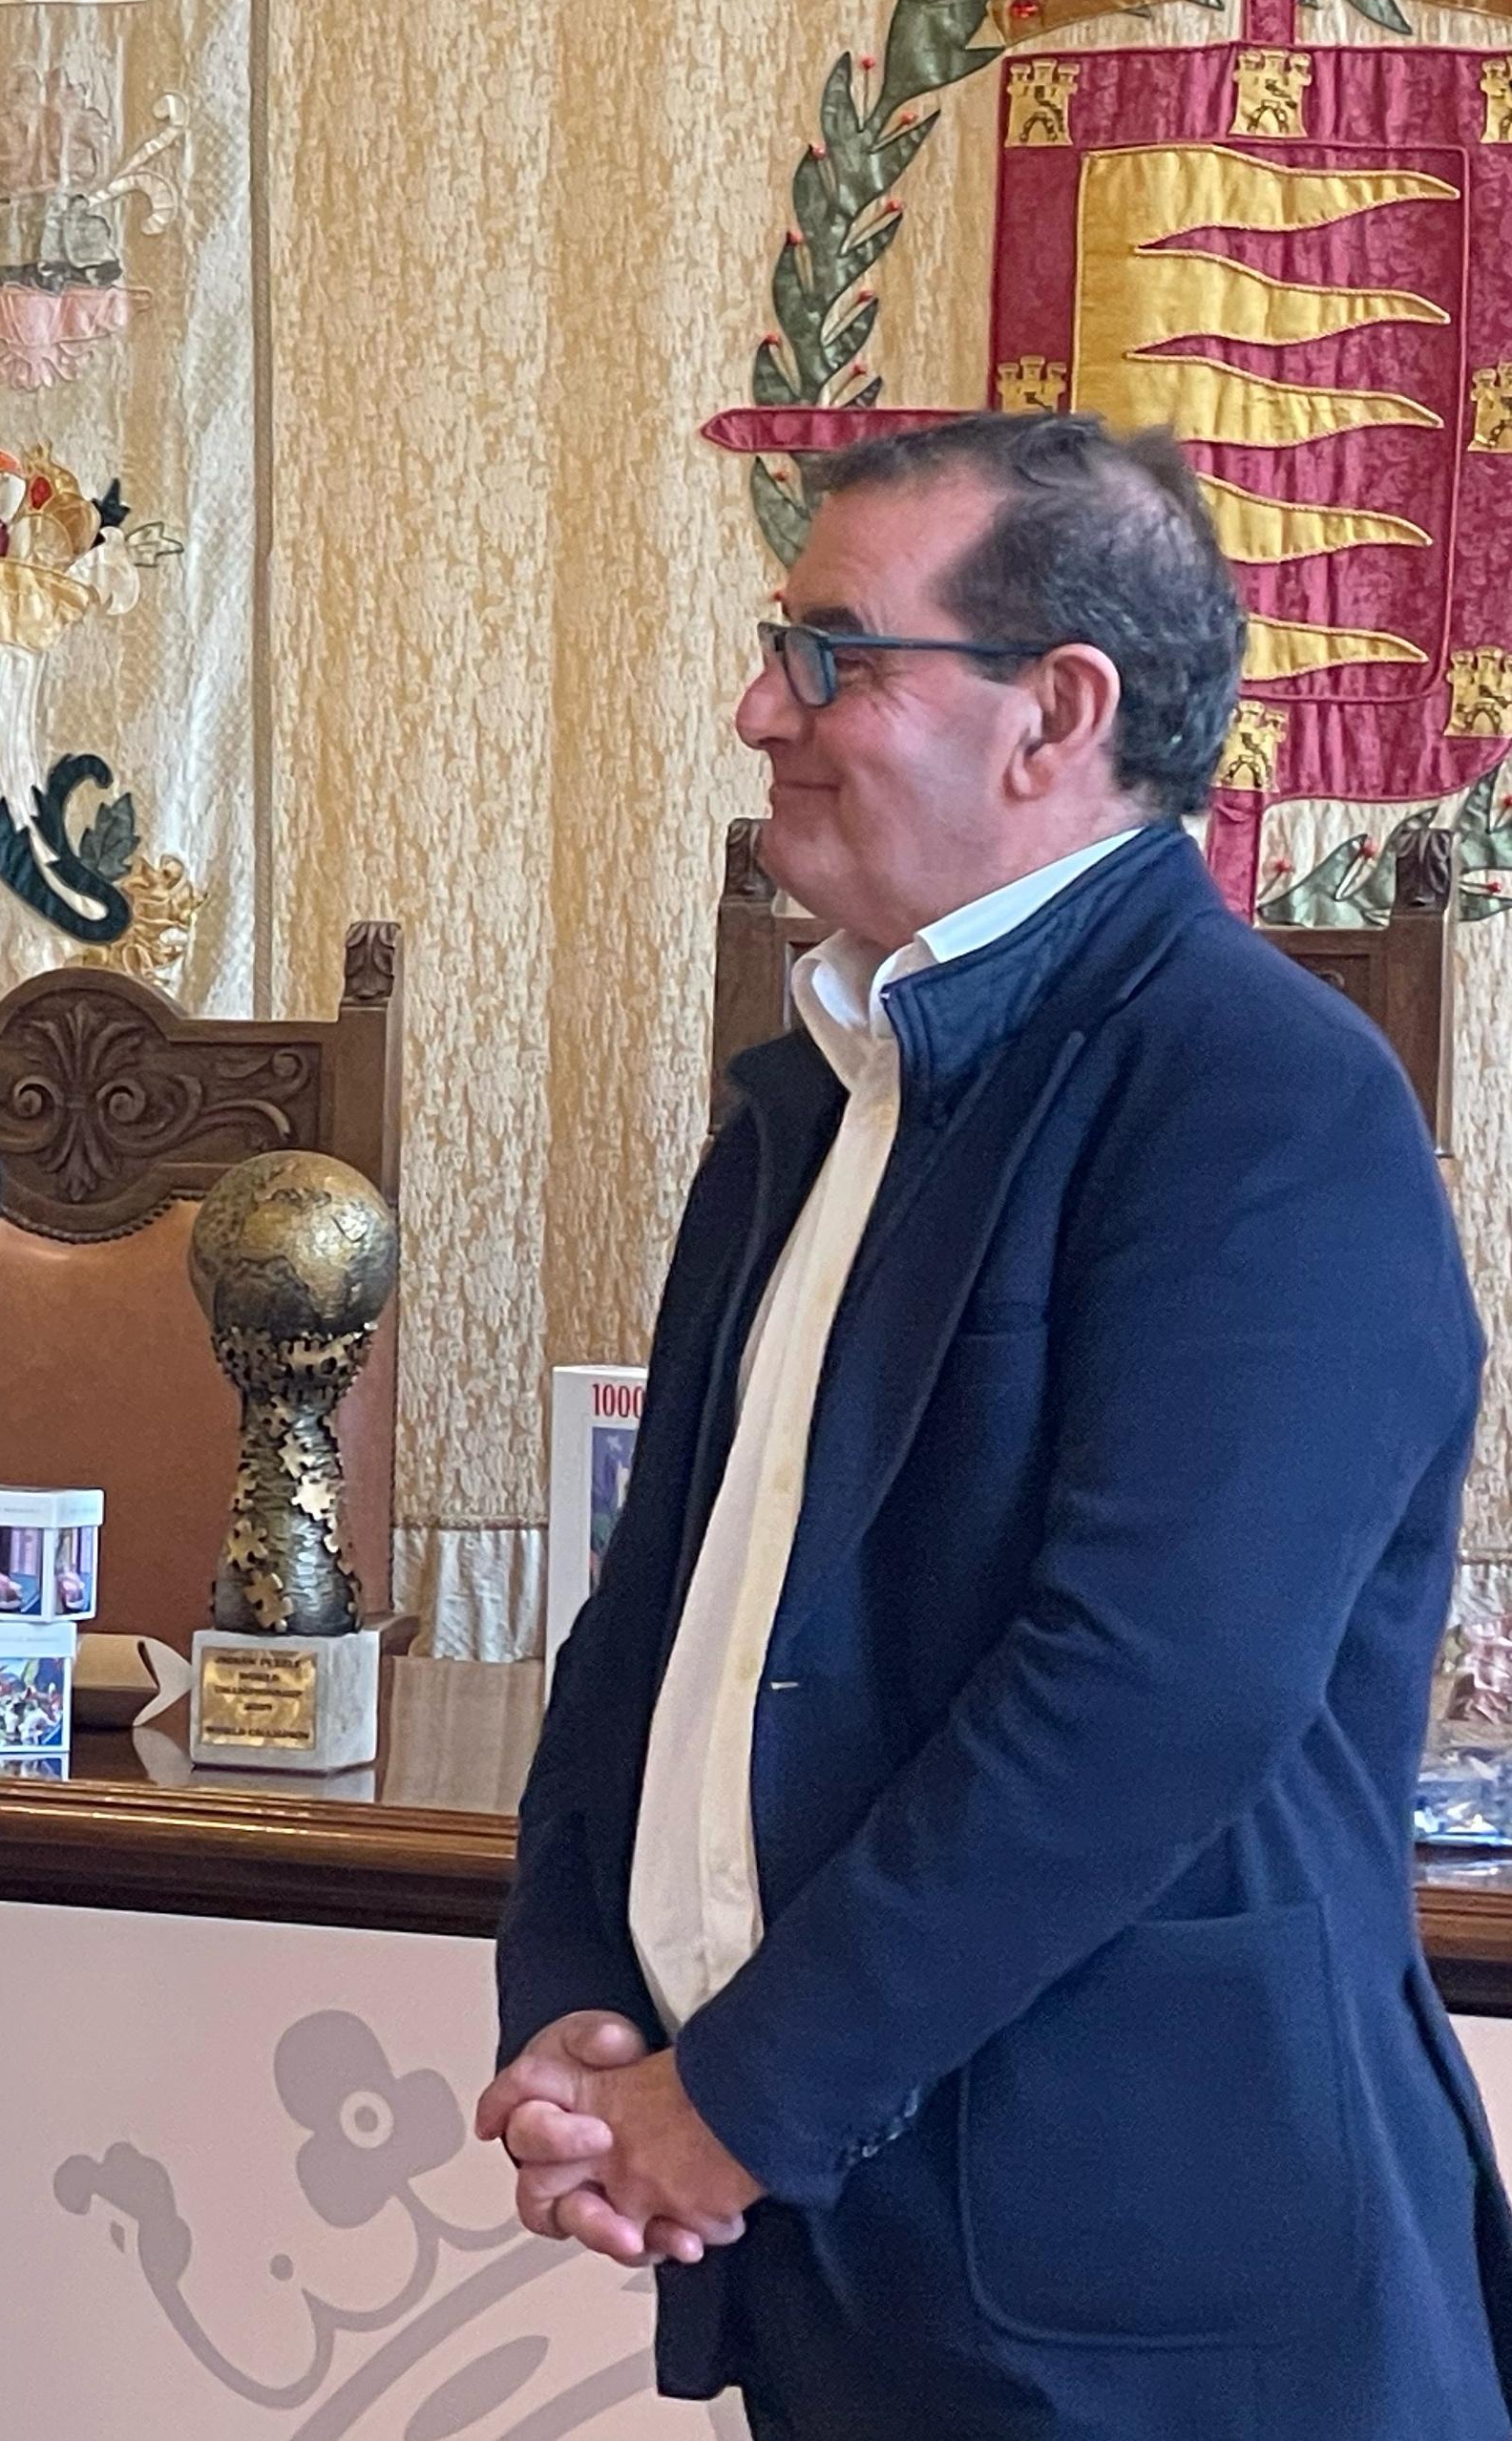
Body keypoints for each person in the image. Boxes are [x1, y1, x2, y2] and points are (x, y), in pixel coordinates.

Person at [483, 410, 1512, 2440]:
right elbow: (657, 1625)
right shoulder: (807, 1104)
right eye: (777, 647)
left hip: (1151, 2294)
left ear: (1058, 712)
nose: (758, 709)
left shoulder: (1262, 1096)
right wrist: (573, 1999)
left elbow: (1148, 1699)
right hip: (850, 2250)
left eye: (833, 656)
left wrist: (739, 2096)